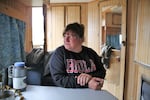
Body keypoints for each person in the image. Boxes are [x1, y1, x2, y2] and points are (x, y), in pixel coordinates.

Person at [49, 22, 106, 90]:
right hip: (67, 93)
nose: (66, 39)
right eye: (65, 35)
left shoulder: (91, 53)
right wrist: (87, 83)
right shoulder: (59, 53)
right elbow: (58, 79)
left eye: (72, 36)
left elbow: (102, 71)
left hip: (90, 93)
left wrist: (89, 76)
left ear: (81, 39)